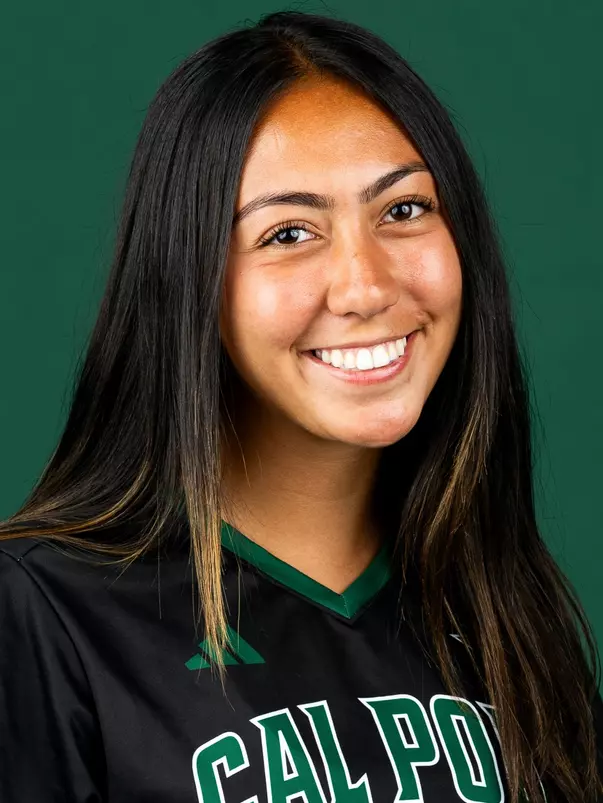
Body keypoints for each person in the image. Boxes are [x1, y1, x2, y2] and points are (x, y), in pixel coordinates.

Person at [0, 10, 600, 803]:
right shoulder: (40, 612)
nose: (366, 286)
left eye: (403, 209)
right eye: (287, 233)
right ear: (190, 281)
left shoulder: (501, 610)